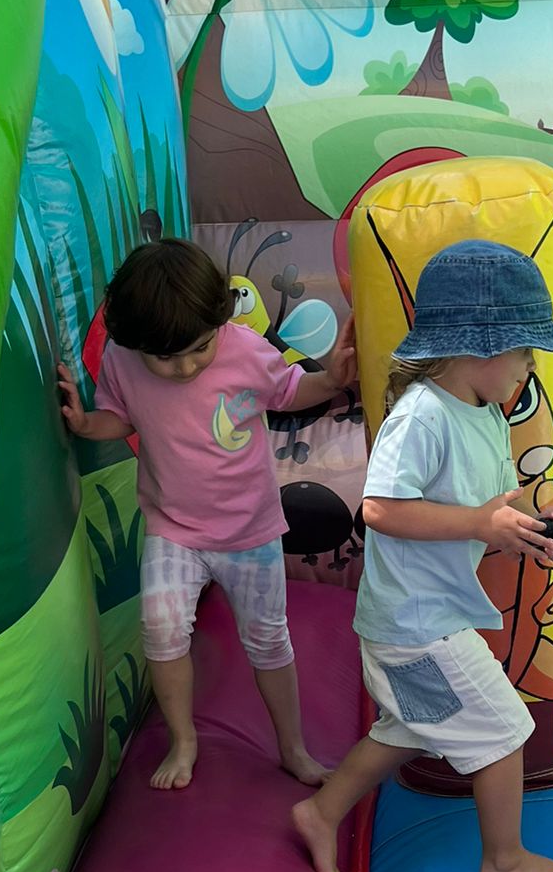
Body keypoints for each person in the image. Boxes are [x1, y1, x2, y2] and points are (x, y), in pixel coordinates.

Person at [293, 240, 553, 872]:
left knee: (409, 727)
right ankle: (503, 861)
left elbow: (487, 510)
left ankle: (321, 812)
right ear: (481, 349)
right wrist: (481, 524)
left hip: (429, 619)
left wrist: (532, 531)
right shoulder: (422, 416)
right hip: (415, 626)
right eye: (524, 350)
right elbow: (380, 509)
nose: (530, 364)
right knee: (505, 728)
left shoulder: (485, 414)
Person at [58, 237, 355, 791]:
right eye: (166, 358)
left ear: (218, 322)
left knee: (268, 639)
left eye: (198, 348)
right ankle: (184, 740)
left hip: (249, 531)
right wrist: (84, 424)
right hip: (174, 529)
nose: (185, 366)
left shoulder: (243, 349)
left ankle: (293, 748)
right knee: (161, 628)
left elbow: (288, 390)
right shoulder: (124, 358)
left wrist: (333, 380)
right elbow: (121, 418)